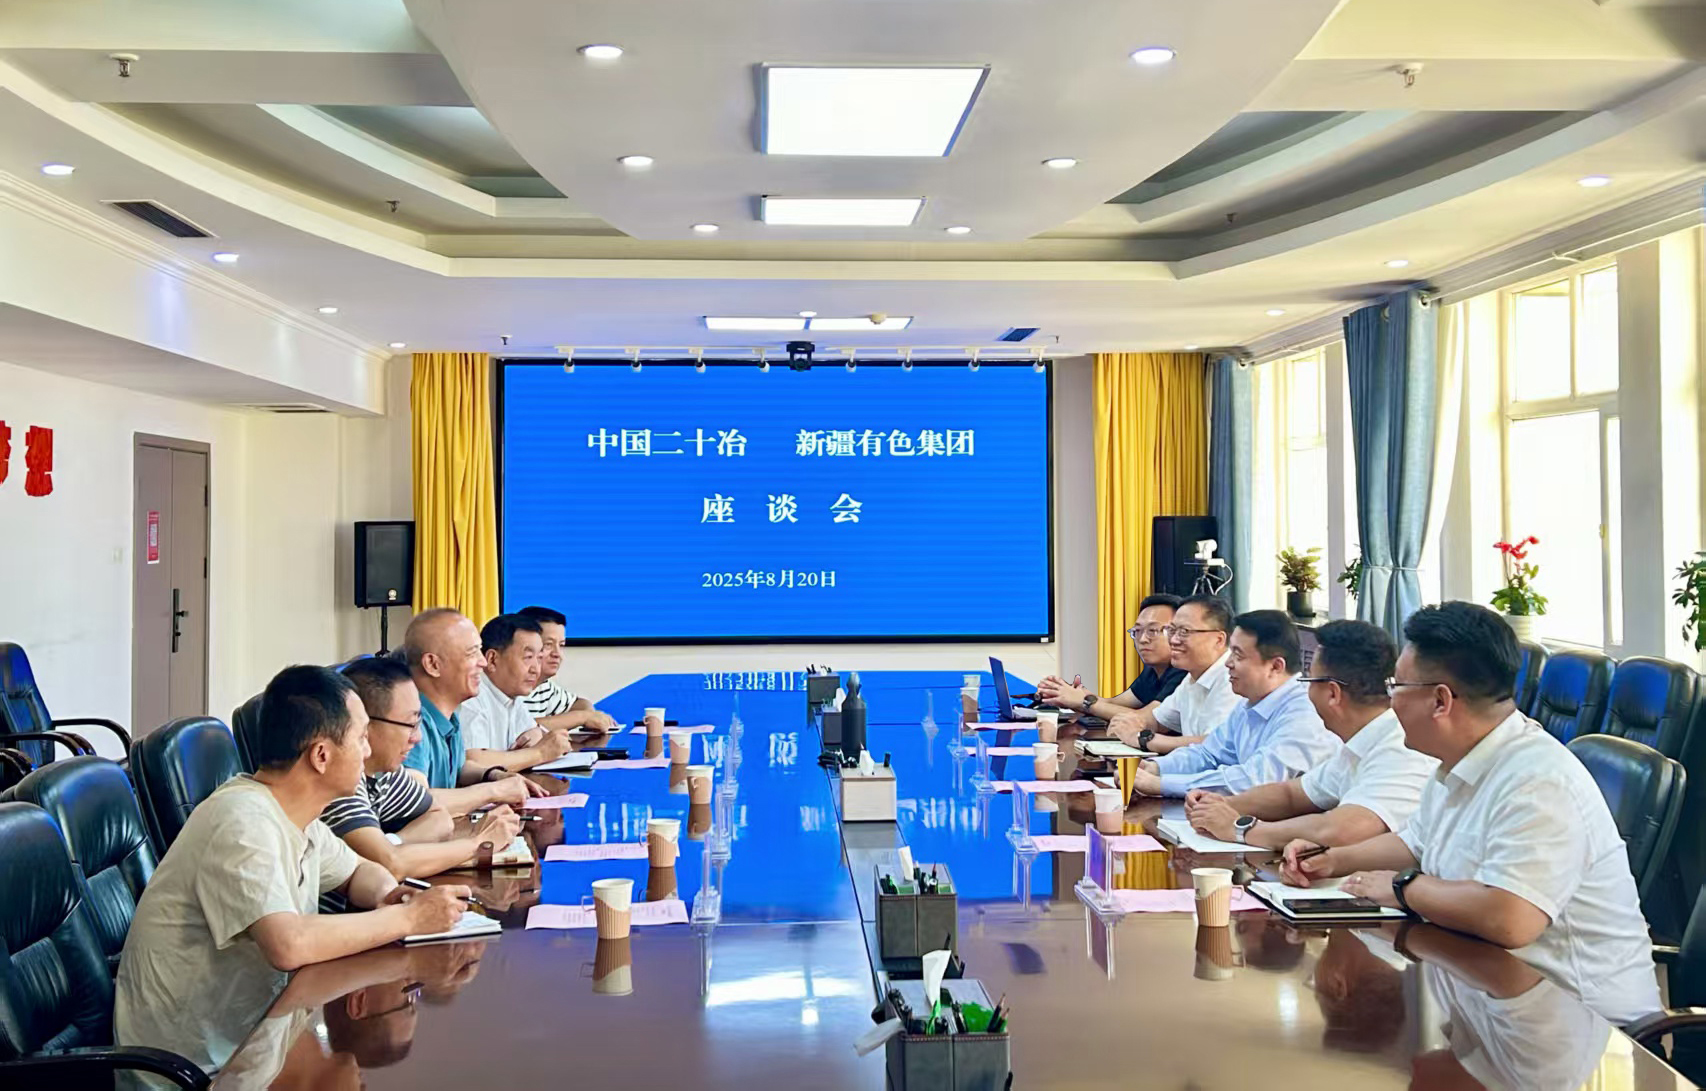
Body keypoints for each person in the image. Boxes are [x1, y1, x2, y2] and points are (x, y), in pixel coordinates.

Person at [1280, 601, 1660, 1025]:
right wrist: (1332, 859)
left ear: (1440, 701)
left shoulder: (1538, 781)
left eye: (1397, 686)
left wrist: (1404, 888)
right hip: (1494, 1001)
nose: (1390, 700)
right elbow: (1415, 842)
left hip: (1584, 1026)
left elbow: (1509, 917)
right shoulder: (1456, 761)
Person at [116, 665, 469, 1071]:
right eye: (360, 738)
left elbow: (358, 871)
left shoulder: (297, 816)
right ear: (321, 755)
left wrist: (391, 894)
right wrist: (408, 918)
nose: (367, 751)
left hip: (260, 1037)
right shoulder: (242, 822)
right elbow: (288, 945)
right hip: (197, 1068)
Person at [1183, 619, 1435, 849]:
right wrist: (1221, 805)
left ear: (1333, 693)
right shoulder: (1360, 743)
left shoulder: (1401, 748)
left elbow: (1339, 829)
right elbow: (1292, 795)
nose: (1306, 692)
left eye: (1309, 681)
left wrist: (1240, 830)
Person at [323, 656, 523, 881]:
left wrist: (393, 843)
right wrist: (479, 843)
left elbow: (440, 818)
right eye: (410, 724)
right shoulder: (339, 782)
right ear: (366, 725)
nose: (417, 737)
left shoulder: (384, 773)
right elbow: (392, 865)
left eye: (418, 723)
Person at [1126, 609, 1340, 798]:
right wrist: (1155, 768)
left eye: (1238, 655)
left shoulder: (1305, 714)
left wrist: (1161, 784)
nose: (1228, 663)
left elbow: (1255, 780)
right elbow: (1208, 754)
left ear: (1275, 666)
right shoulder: (1249, 704)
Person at [400, 608, 547, 795]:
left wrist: (494, 775)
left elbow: (459, 768)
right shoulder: (410, 723)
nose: (483, 662)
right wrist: (492, 791)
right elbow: (417, 799)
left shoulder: (450, 718)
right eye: (471, 654)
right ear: (433, 664)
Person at [1107, 595, 1240, 755]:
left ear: (1218, 640)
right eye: (1171, 631)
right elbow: (1157, 721)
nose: (1174, 640)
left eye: (1184, 632)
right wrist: (1126, 723)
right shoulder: (1192, 677)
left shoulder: (1232, 678)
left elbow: (1215, 744)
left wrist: (1143, 739)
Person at [1035, 594, 1187, 722]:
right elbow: (1112, 704)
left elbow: (1147, 719)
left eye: (1152, 630)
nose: (1142, 639)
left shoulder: (1184, 671)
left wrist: (1082, 701)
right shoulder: (1153, 671)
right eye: (1137, 631)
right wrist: (1070, 695)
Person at [459, 614, 578, 771]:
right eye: (528, 657)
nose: (536, 669)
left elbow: (533, 734)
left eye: (539, 658)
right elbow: (473, 762)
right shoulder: (471, 698)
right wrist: (540, 753)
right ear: (492, 660)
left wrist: (537, 736)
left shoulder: (511, 696)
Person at [515, 605, 617, 732]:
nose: (557, 654)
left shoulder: (544, 686)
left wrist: (589, 715)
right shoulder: (511, 685)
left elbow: (579, 703)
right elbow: (521, 729)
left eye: (561, 645)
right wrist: (582, 717)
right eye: (548, 645)